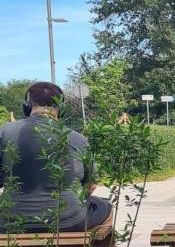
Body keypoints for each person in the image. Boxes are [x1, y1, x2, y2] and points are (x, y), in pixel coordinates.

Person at [0, 81, 113, 235]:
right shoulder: (79, 139)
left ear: (26, 106)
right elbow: (91, 186)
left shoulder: (4, 132)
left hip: (9, 222)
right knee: (104, 206)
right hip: (69, 221)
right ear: (62, 109)